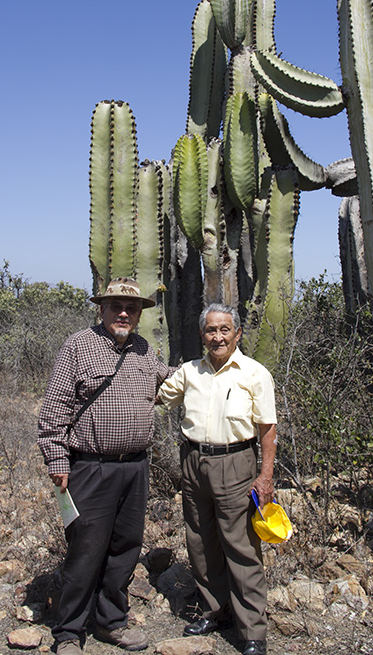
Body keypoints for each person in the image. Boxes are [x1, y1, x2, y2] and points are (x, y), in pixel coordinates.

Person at [38, 277, 172, 655]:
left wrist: (216, 369)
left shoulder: (145, 350)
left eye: (131, 308)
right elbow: (54, 410)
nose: (124, 313)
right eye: (116, 306)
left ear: (140, 314)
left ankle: (111, 622)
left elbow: (172, 379)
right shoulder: (79, 345)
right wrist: (57, 459)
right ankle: (68, 633)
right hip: (90, 467)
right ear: (102, 308)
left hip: (135, 468)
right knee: (86, 549)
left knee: (125, 547)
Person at [156, 303, 277, 655]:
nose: (218, 336)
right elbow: (158, 397)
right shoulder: (189, 372)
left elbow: (267, 431)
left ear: (237, 333)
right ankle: (215, 610)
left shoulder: (254, 373)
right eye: (211, 330)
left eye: (225, 329)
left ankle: (253, 630)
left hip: (236, 463)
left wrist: (264, 477)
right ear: (202, 334)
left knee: (241, 547)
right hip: (193, 461)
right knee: (201, 540)